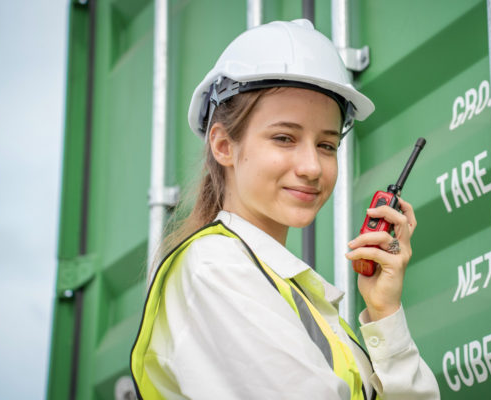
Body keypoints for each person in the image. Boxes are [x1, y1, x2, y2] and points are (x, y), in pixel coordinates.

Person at [130, 19, 440, 399]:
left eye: (327, 145)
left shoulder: (284, 288)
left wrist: (384, 312)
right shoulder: (214, 268)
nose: (311, 167)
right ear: (224, 145)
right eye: (284, 138)